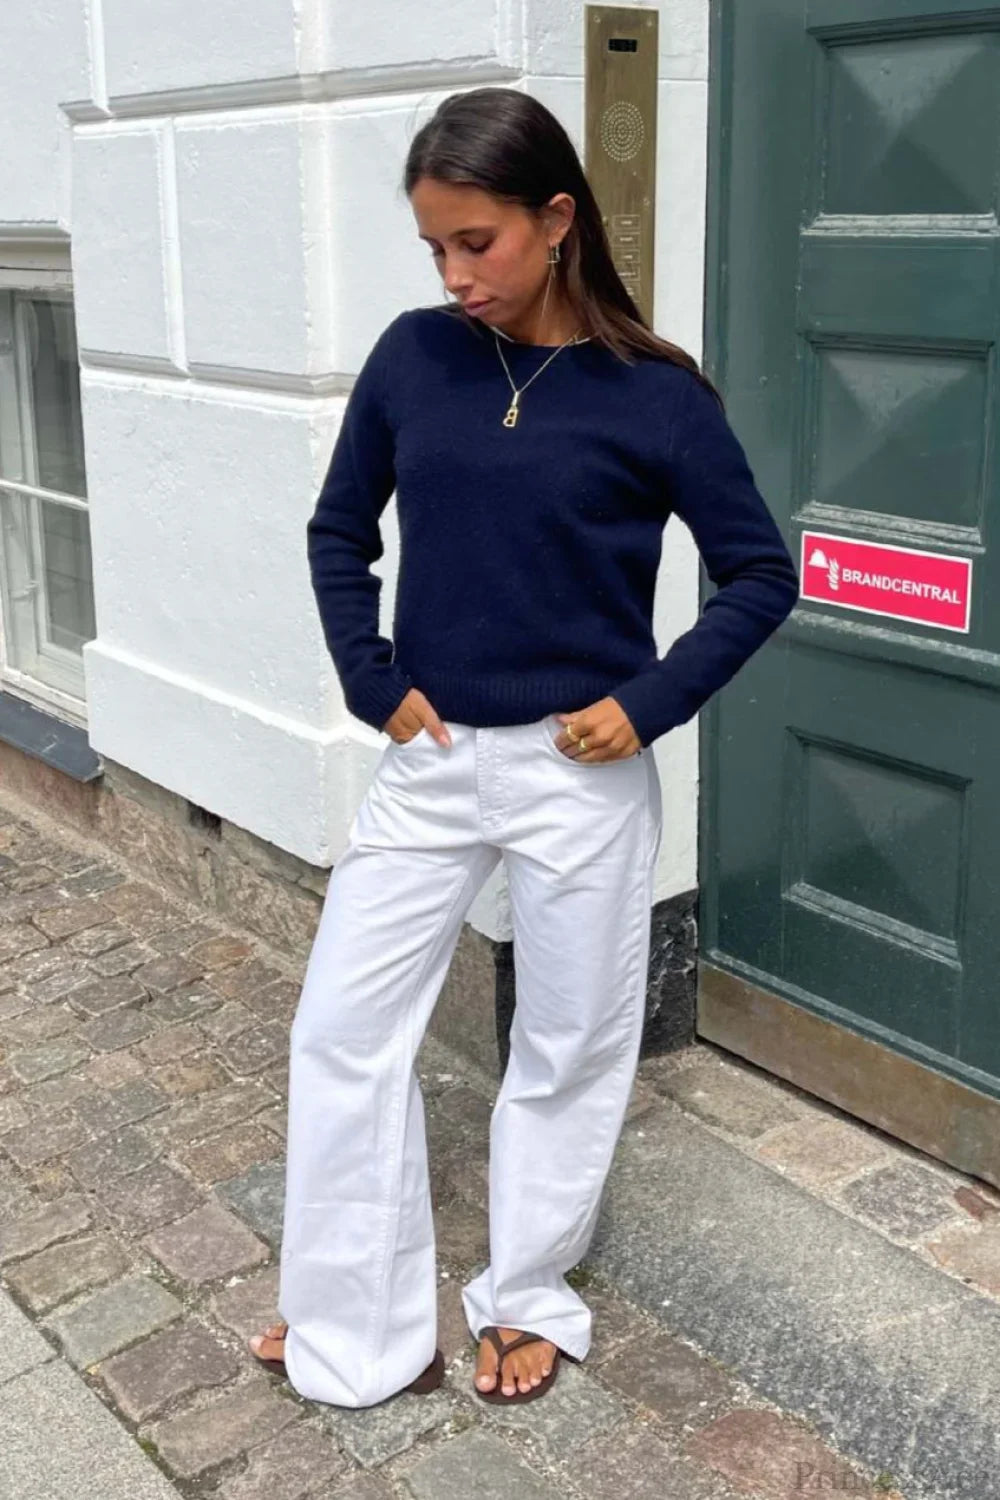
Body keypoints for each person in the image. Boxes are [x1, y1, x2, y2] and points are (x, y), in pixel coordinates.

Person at [249, 85, 799, 1409]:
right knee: (342, 1032)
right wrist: (372, 680)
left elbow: (758, 575)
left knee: (566, 1047)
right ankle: (351, 1319)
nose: (454, 273)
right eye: (435, 245)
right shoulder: (413, 357)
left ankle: (527, 1294)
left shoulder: (657, 398)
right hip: (432, 761)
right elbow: (340, 532)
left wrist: (652, 701)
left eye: (476, 241)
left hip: (580, 773)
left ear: (557, 220)